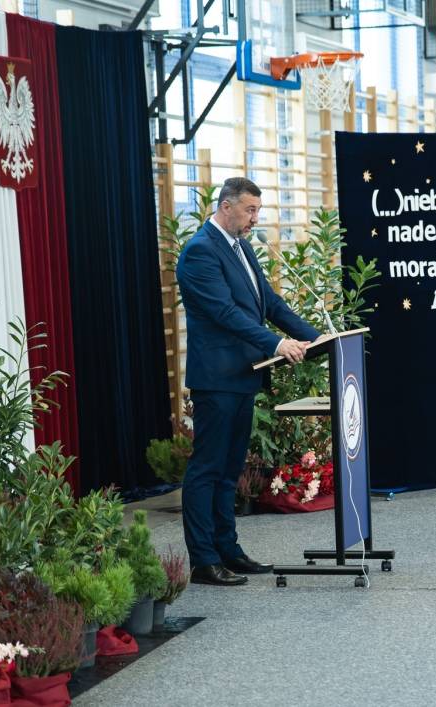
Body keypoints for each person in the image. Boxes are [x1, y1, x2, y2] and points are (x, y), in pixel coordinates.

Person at [176, 177, 321, 586]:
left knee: (230, 470)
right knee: (207, 469)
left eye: (257, 210)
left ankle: (228, 549)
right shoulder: (201, 251)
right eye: (249, 210)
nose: (255, 218)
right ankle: (203, 559)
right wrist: (277, 343)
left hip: (243, 375)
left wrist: (316, 339)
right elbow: (226, 313)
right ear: (226, 206)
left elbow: (269, 303)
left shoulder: (240, 247)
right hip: (217, 378)